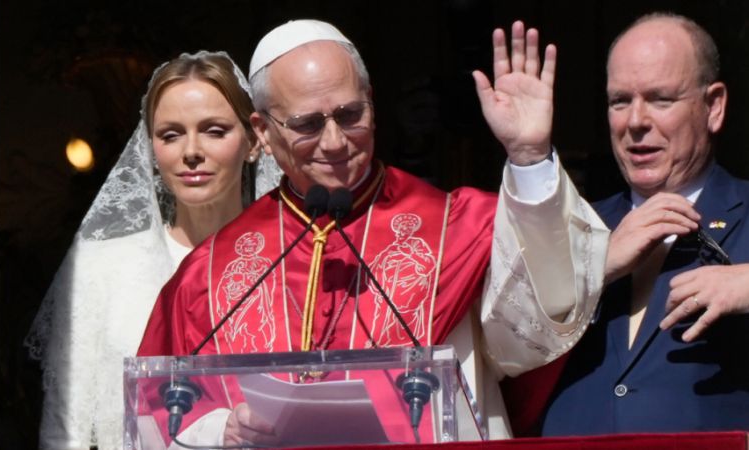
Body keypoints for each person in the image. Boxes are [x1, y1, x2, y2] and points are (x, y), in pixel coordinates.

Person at [138, 19, 609, 446]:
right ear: (262, 131)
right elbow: (156, 408)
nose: (335, 142)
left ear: (373, 106)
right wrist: (221, 428)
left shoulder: (457, 227)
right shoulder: (212, 271)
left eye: (349, 115)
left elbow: (539, 328)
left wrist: (528, 157)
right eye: (306, 124)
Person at [26, 51, 282, 450]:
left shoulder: (294, 261)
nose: (191, 150)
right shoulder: (100, 266)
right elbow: (65, 429)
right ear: (151, 149)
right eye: (171, 134)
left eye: (214, 130)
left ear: (253, 141)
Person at [540, 13, 749, 435]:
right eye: (620, 101)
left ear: (714, 106)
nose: (634, 121)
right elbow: (497, 349)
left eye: (660, 99)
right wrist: (593, 265)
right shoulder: (573, 226)